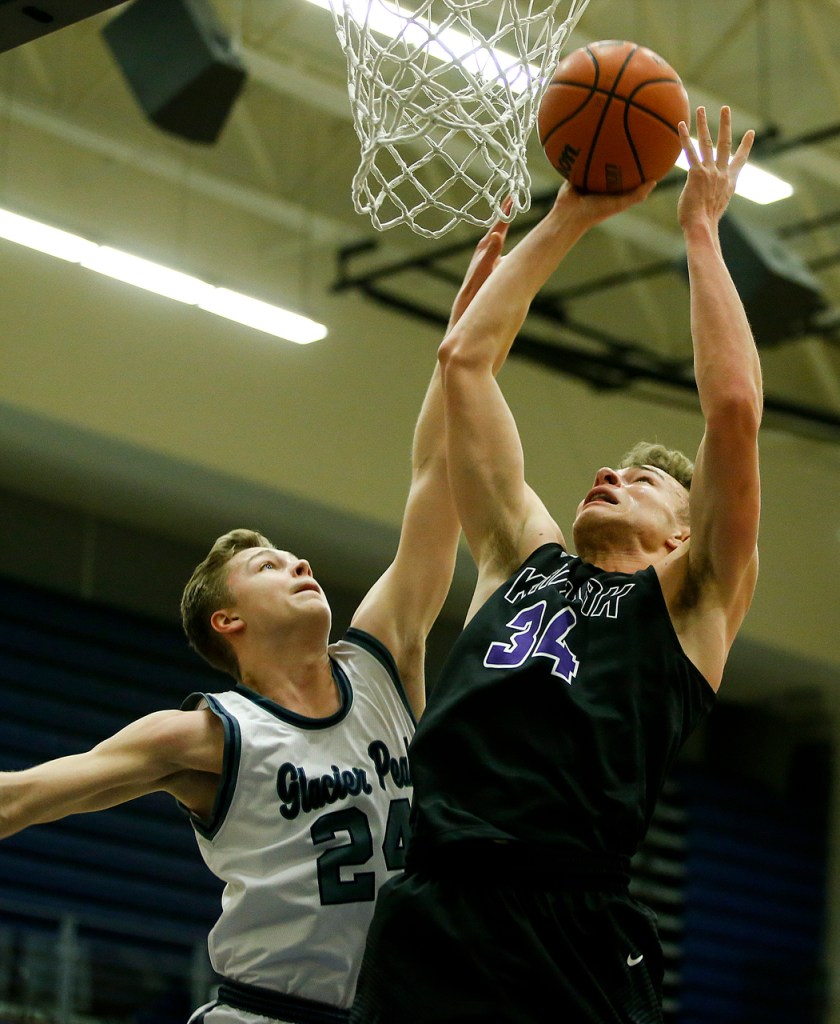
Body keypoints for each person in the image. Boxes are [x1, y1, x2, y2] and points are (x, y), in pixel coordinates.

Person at [0, 219, 510, 1024]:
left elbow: (435, 474)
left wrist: (470, 332)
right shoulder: (203, 737)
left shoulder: (382, 658)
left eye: (297, 558)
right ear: (227, 620)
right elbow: (20, 798)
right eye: (269, 565)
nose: (300, 564)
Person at [350, 105, 761, 1024]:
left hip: (568, 922)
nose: (611, 472)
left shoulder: (694, 601)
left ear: (685, 533)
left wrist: (699, 229)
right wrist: (572, 211)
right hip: (431, 906)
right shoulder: (518, 555)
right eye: (613, 467)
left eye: (647, 479)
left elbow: (733, 409)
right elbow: (465, 361)